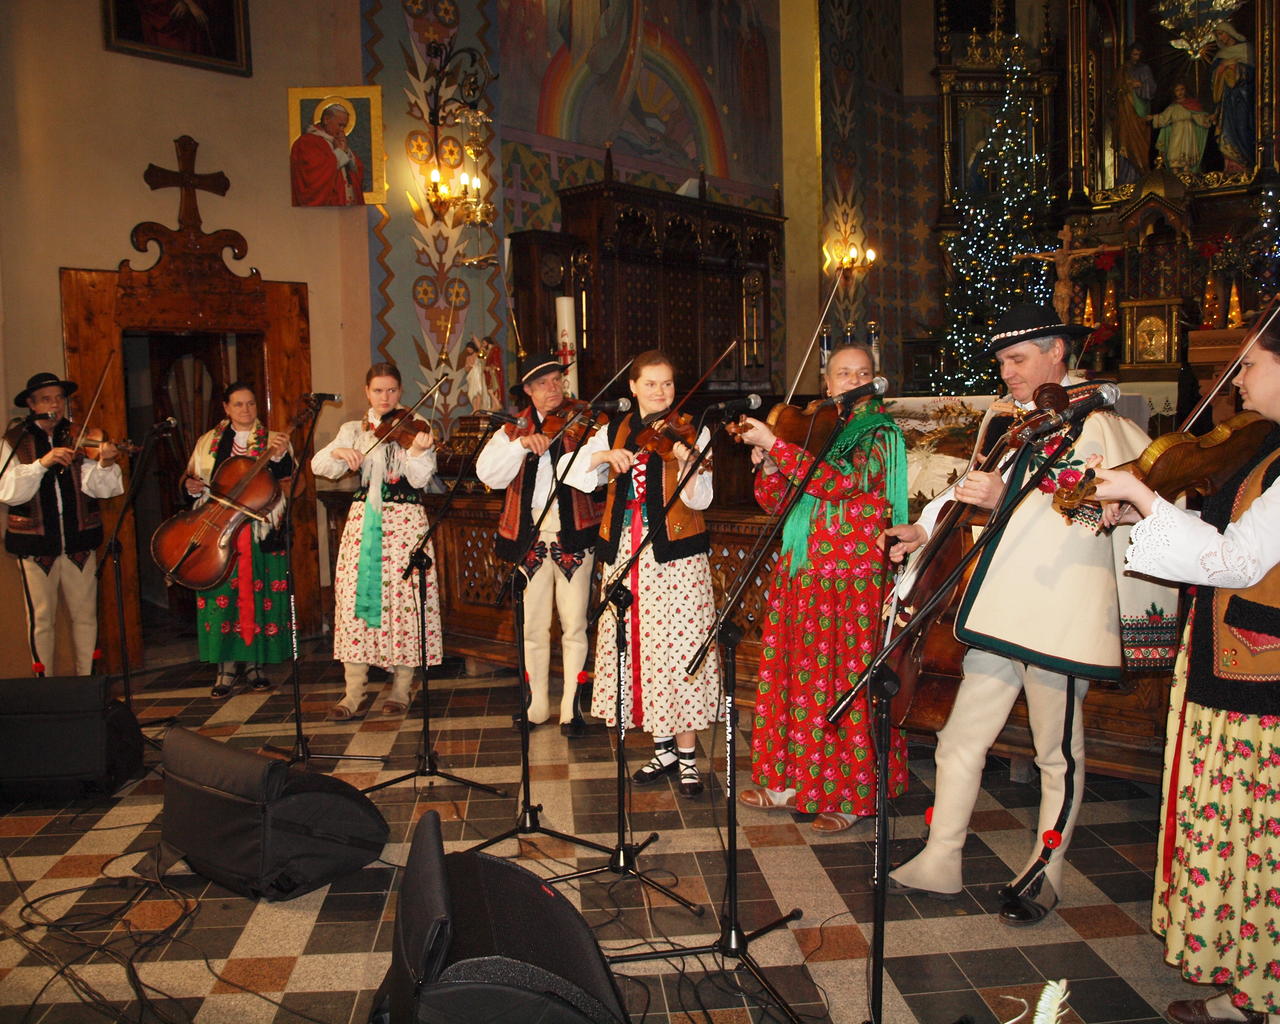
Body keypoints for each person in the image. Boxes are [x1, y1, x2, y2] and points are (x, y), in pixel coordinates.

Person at [884, 304, 1178, 925]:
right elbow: (973, 485)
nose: (1007, 372)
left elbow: (1102, 508)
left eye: (1017, 359)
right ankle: (941, 856)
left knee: (1056, 753)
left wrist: (1007, 498)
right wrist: (925, 527)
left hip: (1059, 613)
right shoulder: (1019, 421)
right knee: (960, 739)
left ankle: (1048, 872)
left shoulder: (1098, 424)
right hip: (1000, 609)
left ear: (1057, 352)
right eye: (1001, 362)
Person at [1089, 326, 1280, 1023]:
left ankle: (1261, 992)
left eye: (1250, 365)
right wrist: (1147, 509)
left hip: (1261, 682)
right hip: (1240, 663)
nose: (1237, 380)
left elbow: (1238, 561)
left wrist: (1146, 500)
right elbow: (1236, 528)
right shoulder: (1268, 448)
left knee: (1260, 835)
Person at [734, 344, 911, 833]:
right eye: (843, 373)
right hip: (805, 575)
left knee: (845, 684)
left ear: (875, 380)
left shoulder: (880, 433)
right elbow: (777, 503)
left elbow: (843, 484)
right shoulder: (819, 431)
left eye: (862, 372)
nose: (852, 380)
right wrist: (771, 467)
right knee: (797, 679)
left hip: (852, 580)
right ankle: (792, 782)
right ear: (827, 383)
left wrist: (777, 447)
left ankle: (852, 795)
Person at [559, 350, 721, 797]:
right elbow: (569, 472)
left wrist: (687, 464)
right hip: (626, 552)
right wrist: (604, 455)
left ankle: (687, 757)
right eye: (650, 383)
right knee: (642, 650)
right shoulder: (614, 428)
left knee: (680, 649)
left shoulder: (693, 429)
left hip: (677, 557)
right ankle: (663, 749)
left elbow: (701, 500)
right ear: (632, 387)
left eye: (667, 383)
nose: (660, 392)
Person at [475, 355, 603, 731]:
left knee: (574, 623)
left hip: (573, 532)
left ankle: (571, 707)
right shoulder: (513, 428)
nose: (554, 388)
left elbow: (599, 477)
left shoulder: (586, 420)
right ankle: (537, 704)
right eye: (544, 383)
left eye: (557, 380)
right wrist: (520, 447)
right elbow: (489, 475)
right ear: (528, 390)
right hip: (530, 534)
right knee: (532, 625)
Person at [311, 363, 442, 718]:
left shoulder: (417, 427)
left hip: (405, 524)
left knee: (404, 601)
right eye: (378, 391)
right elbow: (319, 465)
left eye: (392, 390)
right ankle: (353, 692)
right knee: (354, 600)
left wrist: (418, 452)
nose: (385, 398)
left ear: (400, 392)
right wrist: (339, 453)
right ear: (367, 392)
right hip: (364, 522)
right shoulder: (353, 430)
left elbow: (419, 480)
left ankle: (401, 687)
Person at [1, 372, 122, 676]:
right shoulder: (15, 440)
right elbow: (8, 491)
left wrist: (106, 462)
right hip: (36, 543)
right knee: (41, 619)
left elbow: (101, 489)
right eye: (46, 399)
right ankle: (46, 685)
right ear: (31, 405)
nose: (54, 404)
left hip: (79, 540)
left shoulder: (81, 435)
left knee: (86, 615)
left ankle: (87, 682)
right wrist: (42, 463)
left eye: (58, 398)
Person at [182, 383, 293, 698]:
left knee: (259, 597)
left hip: (259, 531)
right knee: (222, 599)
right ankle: (225, 669)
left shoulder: (274, 440)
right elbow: (193, 479)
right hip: (219, 533)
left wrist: (280, 458)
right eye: (239, 404)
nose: (246, 410)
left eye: (251, 403)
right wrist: (190, 486)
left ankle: (256, 666)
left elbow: (288, 483)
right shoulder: (208, 442)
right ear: (226, 408)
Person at [290, 101, 366, 207]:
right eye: (340, 125)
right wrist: (340, 153)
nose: (342, 130)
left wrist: (346, 152)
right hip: (326, 207)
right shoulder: (307, 142)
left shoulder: (337, 141)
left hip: (344, 205)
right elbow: (315, 174)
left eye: (344, 126)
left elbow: (357, 169)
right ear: (326, 120)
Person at [1209, 22, 1254, 175]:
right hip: (1226, 101)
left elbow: (1253, 73)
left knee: (1241, 127)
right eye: (1217, 35)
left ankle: (1245, 163)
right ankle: (1231, 165)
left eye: (1221, 33)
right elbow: (1213, 79)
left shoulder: (1246, 49)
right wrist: (1221, 69)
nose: (1220, 38)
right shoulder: (1220, 56)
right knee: (1226, 130)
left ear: (1229, 32)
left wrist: (1235, 68)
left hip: (1243, 97)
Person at [1113, 44, 1156, 184]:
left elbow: (1151, 89)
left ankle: (1142, 172)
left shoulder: (1145, 69)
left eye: (1139, 55)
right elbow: (1116, 90)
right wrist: (1127, 86)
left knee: (1141, 144)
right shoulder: (1123, 70)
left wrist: (1141, 85)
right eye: (1134, 54)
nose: (1136, 58)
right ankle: (1127, 178)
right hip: (1126, 111)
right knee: (1126, 141)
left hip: (1140, 110)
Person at [1148, 83, 1213, 174]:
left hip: (1188, 131)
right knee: (1175, 150)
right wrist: (1153, 117)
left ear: (1185, 90)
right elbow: (1164, 118)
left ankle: (1187, 172)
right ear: (1174, 92)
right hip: (1176, 131)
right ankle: (1175, 173)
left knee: (1188, 151)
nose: (1180, 92)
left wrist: (1208, 118)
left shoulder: (1192, 105)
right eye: (1177, 90)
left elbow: (1199, 117)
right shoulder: (1173, 107)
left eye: (1182, 89)